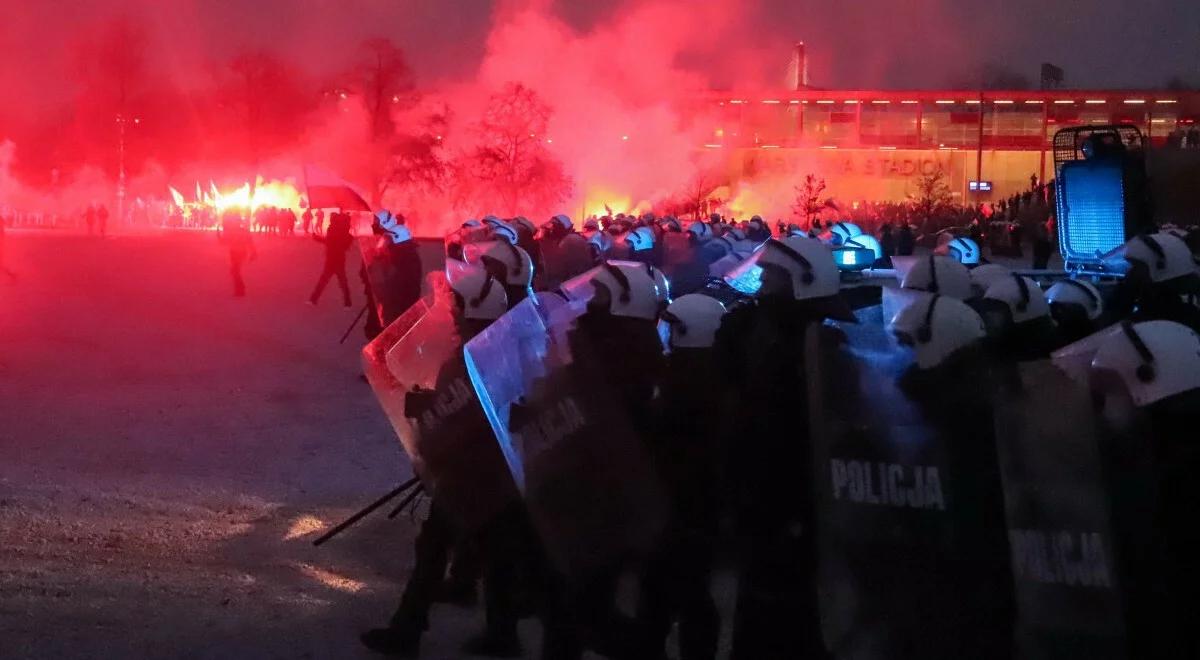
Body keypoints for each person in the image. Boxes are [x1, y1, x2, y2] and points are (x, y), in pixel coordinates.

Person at [713, 236, 852, 660]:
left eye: (772, 276)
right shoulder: (761, 327)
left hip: (793, 491)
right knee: (759, 603)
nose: (763, 283)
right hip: (761, 488)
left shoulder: (822, 338)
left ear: (802, 281)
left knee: (790, 608)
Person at [639, 294, 727, 660]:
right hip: (692, 503)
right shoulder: (711, 372)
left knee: (677, 593)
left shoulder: (685, 379)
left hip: (682, 502)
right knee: (679, 591)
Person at [308, 212, 354, 308]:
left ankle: (313, 299)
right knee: (342, 281)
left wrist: (316, 238)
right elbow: (337, 243)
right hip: (339, 258)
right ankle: (348, 302)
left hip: (332, 258)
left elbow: (329, 242)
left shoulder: (333, 229)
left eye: (331, 218)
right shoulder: (344, 231)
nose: (329, 220)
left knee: (324, 280)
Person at [217, 212, 256, 298]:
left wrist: (219, 235)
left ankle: (240, 289)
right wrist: (253, 252)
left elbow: (223, 242)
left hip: (236, 252)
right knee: (235, 270)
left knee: (235, 271)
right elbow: (250, 242)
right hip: (241, 252)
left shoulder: (232, 231)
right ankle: (240, 288)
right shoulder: (243, 231)